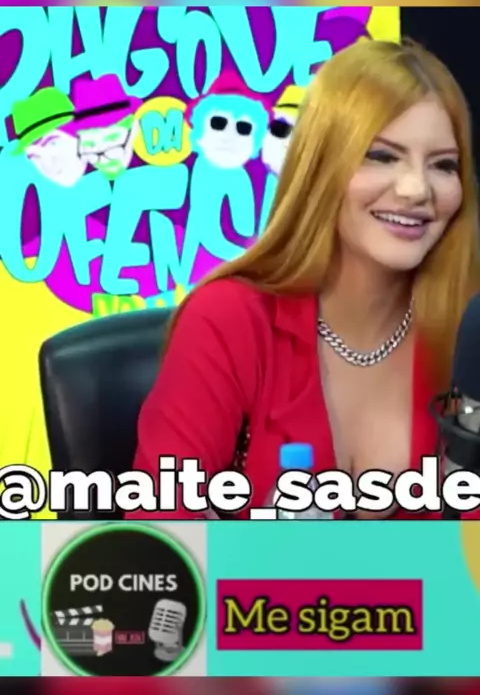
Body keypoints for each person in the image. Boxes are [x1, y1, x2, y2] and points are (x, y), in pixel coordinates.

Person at [127, 39, 480, 520]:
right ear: (319, 166)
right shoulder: (227, 320)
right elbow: (160, 539)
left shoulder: (467, 335)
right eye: (382, 156)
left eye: (443, 165)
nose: (417, 188)